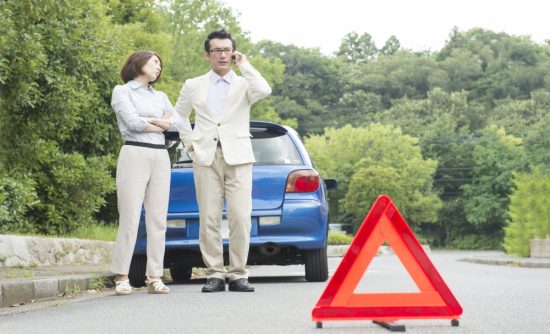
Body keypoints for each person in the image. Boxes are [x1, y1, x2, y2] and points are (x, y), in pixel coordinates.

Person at [175, 29, 271, 292]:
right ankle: (215, 273)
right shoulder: (193, 84)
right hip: (206, 157)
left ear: (233, 52)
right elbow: (178, 115)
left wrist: (246, 65)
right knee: (209, 217)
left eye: (227, 50)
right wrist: (189, 143)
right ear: (208, 54)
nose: (222, 54)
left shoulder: (244, 84)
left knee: (240, 216)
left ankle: (239, 273)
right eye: (216, 50)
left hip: (238, 157)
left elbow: (264, 89)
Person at [110, 50, 184, 295]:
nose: (158, 67)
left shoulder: (161, 95)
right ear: (139, 63)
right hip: (134, 152)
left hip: (160, 156)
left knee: (158, 218)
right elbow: (132, 123)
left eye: (160, 64)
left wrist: (157, 123)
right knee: (130, 216)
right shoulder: (122, 92)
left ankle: (154, 276)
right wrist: (160, 122)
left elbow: (179, 124)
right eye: (154, 62)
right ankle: (122, 276)